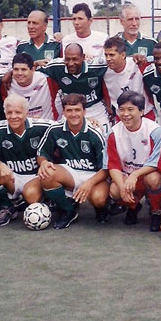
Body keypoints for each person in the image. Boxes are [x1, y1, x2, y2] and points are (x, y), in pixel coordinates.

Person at [36, 93, 110, 229]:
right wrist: (44, 162)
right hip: (70, 173)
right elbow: (41, 153)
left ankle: (102, 208)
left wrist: (89, 184)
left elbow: (106, 169)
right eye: (69, 110)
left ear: (84, 111)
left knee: (98, 198)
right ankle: (68, 210)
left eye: (77, 110)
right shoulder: (55, 130)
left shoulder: (95, 133)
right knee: (47, 174)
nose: (73, 114)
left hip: (94, 175)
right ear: (63, 112)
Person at [0, 95, 54, 227]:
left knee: (31, 195)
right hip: (12, 176)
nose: (13, 116)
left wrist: (88, 120)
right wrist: (1, 166)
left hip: (35, 176)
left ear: (26, 113)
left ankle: (42, 200)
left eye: (18, 112)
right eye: (9, 113)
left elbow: (66, 125)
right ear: (5, 113)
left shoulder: (41, 126)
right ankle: (6, 207)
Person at [106, 91, 161, 230]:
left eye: (130, 109)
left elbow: (156, 162)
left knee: (153, 179)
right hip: (127, 176)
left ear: (141, 111)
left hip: (145, 174)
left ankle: (156, 211)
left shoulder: (154, 130)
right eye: (121, 109)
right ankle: (133, 206)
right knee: (115, 189)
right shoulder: (113, 133)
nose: (125, 114)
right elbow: (113, 165)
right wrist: (122, 187)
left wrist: (135, 174)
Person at [41, 43, 110, 135]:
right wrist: (34, 63)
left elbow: (119, 61)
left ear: (83, 57)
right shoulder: (56, 66)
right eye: (67, 59)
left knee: (105, 135)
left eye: (75, 59)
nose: (70, 63)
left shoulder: (97, 65)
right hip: (70, 111)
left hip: (94, 109)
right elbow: (30, 71)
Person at [103, 36, 155, 122]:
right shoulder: (104, 73)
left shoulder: (138, 63)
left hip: (145, 115)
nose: (108, 59)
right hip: (122, 118)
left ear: (123, 55)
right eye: (106, 55)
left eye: (112, 55)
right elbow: (107, 99)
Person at [8, 52, 56, 120]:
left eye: (23, 69)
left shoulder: (46, 80)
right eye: (16, 69)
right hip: (21, 128)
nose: (19, 73)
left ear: (33, 69)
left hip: (47, 126)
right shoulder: (7, 84)